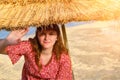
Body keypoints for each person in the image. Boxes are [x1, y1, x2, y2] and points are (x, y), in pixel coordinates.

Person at [0, 24, 73, 80]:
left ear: (57, 37)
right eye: (42, 34)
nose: (46, 38)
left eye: (51, 34)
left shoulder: (63, 58)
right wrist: (7, 41)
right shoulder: (29, 47)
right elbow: (3, 50)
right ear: (37, 35)